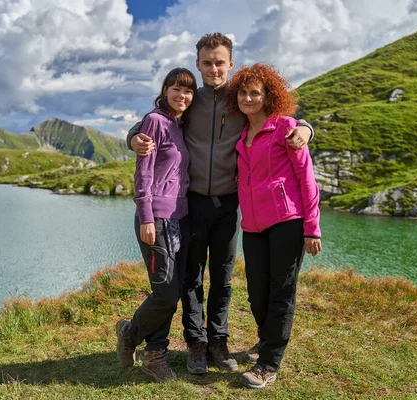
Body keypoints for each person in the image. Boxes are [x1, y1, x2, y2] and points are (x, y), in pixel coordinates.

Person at [127, 33, 315, 374]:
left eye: (220, 62)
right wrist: (132, 138)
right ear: (198, 64)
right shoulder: (189, 98)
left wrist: (306, 128)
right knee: (192, 277)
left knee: (224, 278)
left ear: (230, 63)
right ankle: (196, 343)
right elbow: (150, 124)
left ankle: (218, 340)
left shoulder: (242, 98)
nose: (213, 68)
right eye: (207, 63)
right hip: (192, 203)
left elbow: (281, 117)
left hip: (229, 203)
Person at [226, 63, 321, 389]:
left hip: (287, 222)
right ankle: (267, 339)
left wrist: (312, 226)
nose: (248, 97)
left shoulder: (287, 128)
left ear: (269, 96)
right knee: (257, 292)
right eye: (243, 92)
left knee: (281, 292)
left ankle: (268, 363)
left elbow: (306, 178)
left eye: (256, 93)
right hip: (252, 226)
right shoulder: (242, 134)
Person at [115, 67, 197, 382]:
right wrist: (147, 217)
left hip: (182, 217)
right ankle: (130, 335)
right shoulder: (154, 122)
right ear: (164, 90)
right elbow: (144, 174)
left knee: (169, 290)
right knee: (165, 292)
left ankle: (153, 355)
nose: (182, 95)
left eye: (188, 90)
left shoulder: (180, 123)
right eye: (175, 88)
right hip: (158, 219)